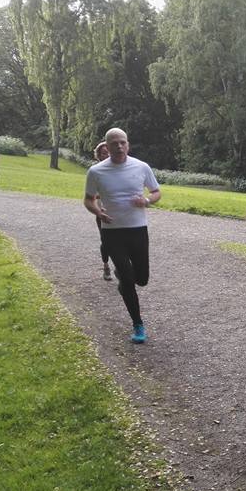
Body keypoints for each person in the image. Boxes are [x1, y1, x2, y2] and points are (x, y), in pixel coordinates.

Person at [84, 128, 161, 344]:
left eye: (122, 142)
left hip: (138, 229)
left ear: (128, 144)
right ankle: (138, 324)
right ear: (106, 147)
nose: (119, 146)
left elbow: (156, 192)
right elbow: (88, 199)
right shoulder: (96, 171)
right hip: (112, 232)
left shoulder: (141, 167)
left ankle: (123, 277)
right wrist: (98, 212)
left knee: (142, 279)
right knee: (128, 280)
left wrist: (147, 201)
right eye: (114, 143)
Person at [92, 142, 113, 281]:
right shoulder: (95, 172)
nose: (107, 155)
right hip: (102, 212)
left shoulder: (119, 169)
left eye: (109, 152)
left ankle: (120, 266)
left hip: (119, 212)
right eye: (104, 153)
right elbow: (91, 195)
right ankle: (106, 266)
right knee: (106, 241)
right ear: (99, 156)